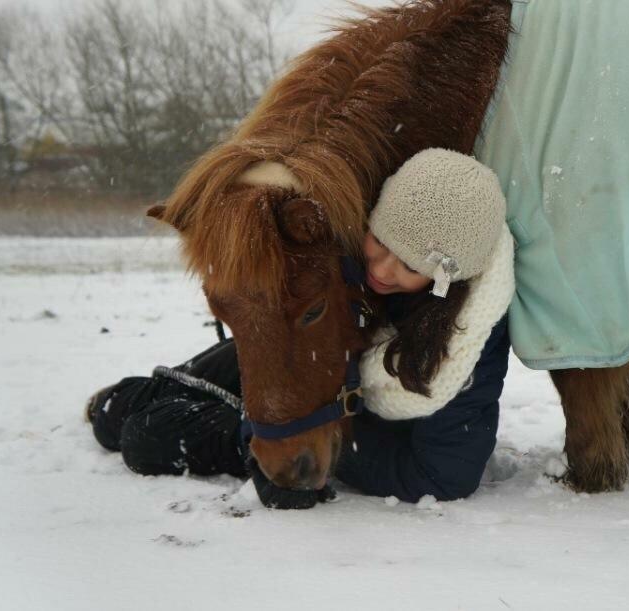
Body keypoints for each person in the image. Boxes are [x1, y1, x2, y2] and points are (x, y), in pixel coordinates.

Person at [86, 148, 515, 506]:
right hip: (314, 363)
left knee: (146, 439)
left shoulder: (464, 343)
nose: (381, 270)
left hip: (340, 416)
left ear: (446, 279)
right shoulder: (347, 251)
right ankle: (131, 400)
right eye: (380, 242)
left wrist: (303, 439)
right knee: (119, 412)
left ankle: (194, 424)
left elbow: (444, 476)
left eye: (410, 265)